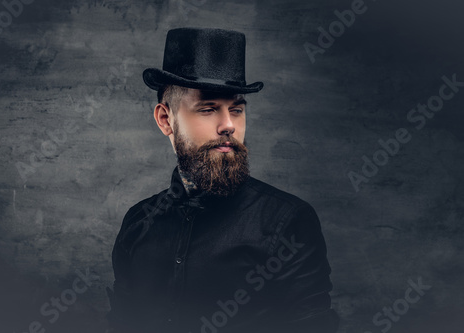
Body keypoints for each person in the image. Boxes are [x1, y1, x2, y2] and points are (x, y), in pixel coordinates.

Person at [107, 27, 339, 333]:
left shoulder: (288, 222)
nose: (228, 125)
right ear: (166, 120)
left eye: (237, 109)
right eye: (208, 109)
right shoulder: (138, 223)